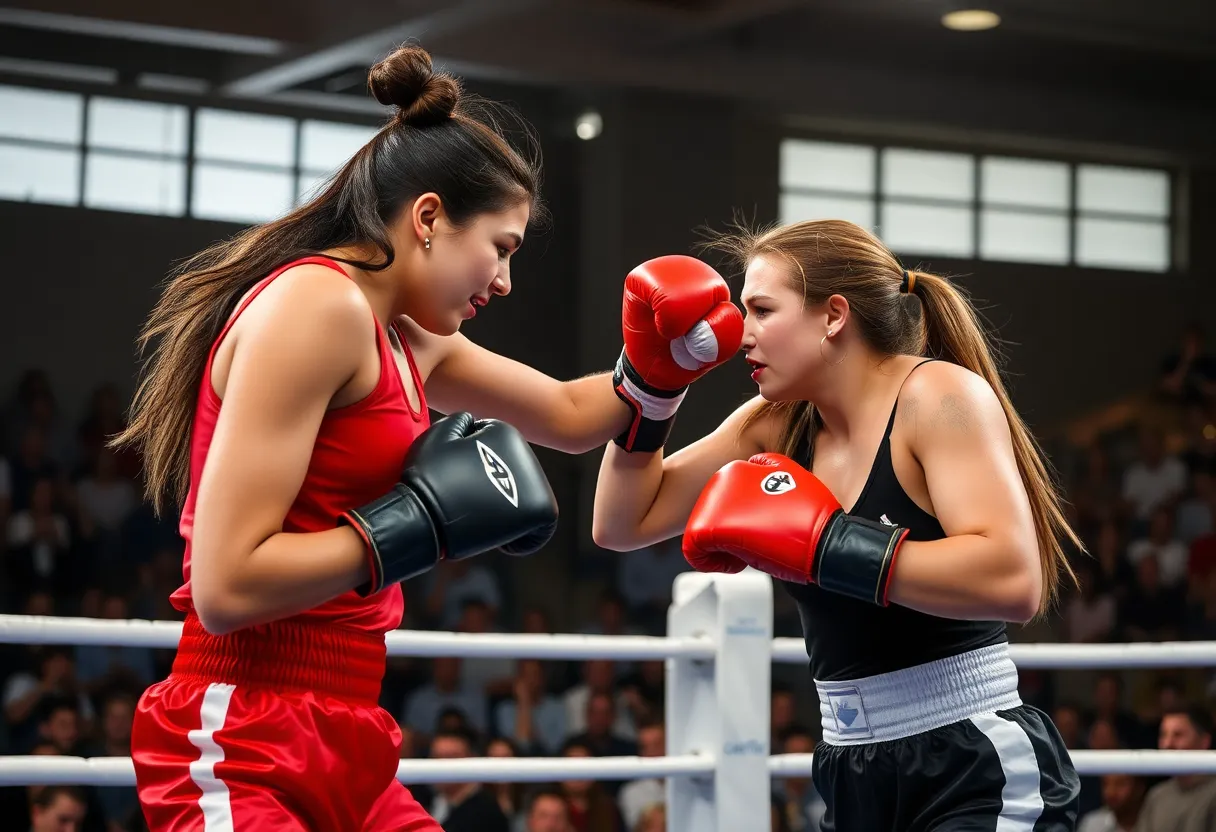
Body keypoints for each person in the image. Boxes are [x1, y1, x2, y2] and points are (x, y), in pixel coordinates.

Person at [112, 44, 741, 832]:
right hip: (240, 726)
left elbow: (575, 418)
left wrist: (658, 369)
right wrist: (420, 522)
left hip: (350, 725)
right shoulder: (318, 307)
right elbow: (226, 586)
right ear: (430, 218)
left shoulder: (405, 337)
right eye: (501, 248)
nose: (505, 281)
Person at [592, 219, 1083, 829]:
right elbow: (621, 522)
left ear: (833, 315)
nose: (742, 335)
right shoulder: (780, 423)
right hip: (850, 768)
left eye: (762, 310)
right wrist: (651, 392)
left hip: (971, 760)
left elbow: (1013, 580)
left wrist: (827, 545)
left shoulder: (937, 396)